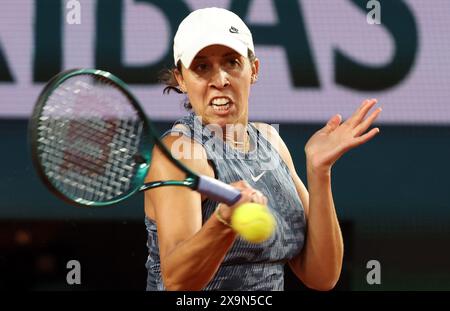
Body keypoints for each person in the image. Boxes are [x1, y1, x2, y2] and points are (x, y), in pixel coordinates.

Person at [144, 7, 382, 291]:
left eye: (232, 62)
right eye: (201, 67)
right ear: (181, 79)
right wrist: (223, 222)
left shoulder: (271, 143)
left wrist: (319, 171)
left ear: (253, 69)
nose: (220, 80)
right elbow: (178, 284)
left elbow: (322, 276)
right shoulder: (180, 153)